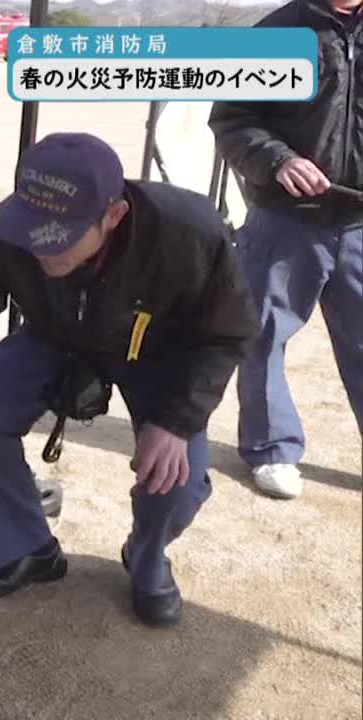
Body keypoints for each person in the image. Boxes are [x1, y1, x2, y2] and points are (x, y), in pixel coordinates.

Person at [0, 133, 258, 628]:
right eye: (30, 229)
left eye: (58, 236)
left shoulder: (187, 230)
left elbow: (229, 332)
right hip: (56, 335)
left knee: (175, 475)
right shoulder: (0, 233)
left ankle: (146, 557)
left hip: (158, 349)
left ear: (113, 216)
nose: (39, 247)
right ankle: (25, 546)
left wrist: (176, 422)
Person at [208, 0, 363, 499]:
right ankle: (271, 447)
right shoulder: (278, 32)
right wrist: (278, 161)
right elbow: (233, 120)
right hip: (285, 219)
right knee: (262, 334)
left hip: (360, 223)